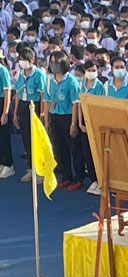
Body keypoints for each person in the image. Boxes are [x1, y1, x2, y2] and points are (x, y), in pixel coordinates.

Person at [43, 51, 80, 190]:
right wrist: (46, 121)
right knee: (59, 147)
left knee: (74, 148)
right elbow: (46, 100)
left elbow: (76, 103)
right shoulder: (49, 79)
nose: (54, 65)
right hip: (55, 116)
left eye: (57, 62)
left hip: (68, 117)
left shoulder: (71, 81)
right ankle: (66, 176)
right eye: (52, 62)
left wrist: (73, 123)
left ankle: (78, 177)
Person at [13, 45, 46, 182]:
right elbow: (18, 94)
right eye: (20, 59)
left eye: (24, 59)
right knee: (26, 138)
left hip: (35, 105)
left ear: (32, 60)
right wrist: (15, 113)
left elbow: (43, 95)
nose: (22, 62)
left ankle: (40, 169)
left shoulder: (39, 74)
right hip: (23, 106)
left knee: (36, 138)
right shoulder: (19, 74)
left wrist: (43, 112)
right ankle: (30, 167)